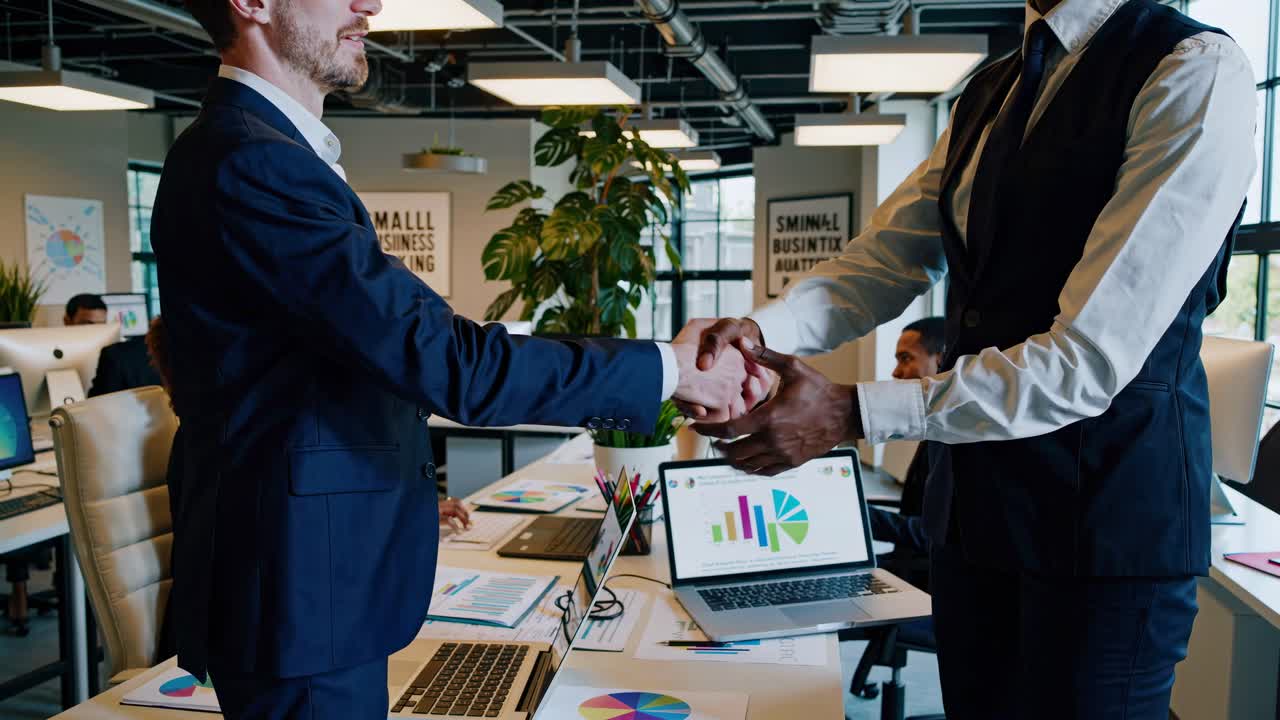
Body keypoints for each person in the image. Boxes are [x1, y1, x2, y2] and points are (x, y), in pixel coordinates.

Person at [157, 1, 763, 717]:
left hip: (317, 585)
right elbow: (446, 361)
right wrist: (675, 368)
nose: (370, 4)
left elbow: (324, 377)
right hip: (300, 599)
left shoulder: (263, 152)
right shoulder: (251, 160)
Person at [686, 0, 1254, 717]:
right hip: (975, 523)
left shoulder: (1193, 69)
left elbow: (1087, 360)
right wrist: (753, 342)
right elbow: (885, 259)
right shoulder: (991, 90)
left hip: (1104, 536)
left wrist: (852, 411)